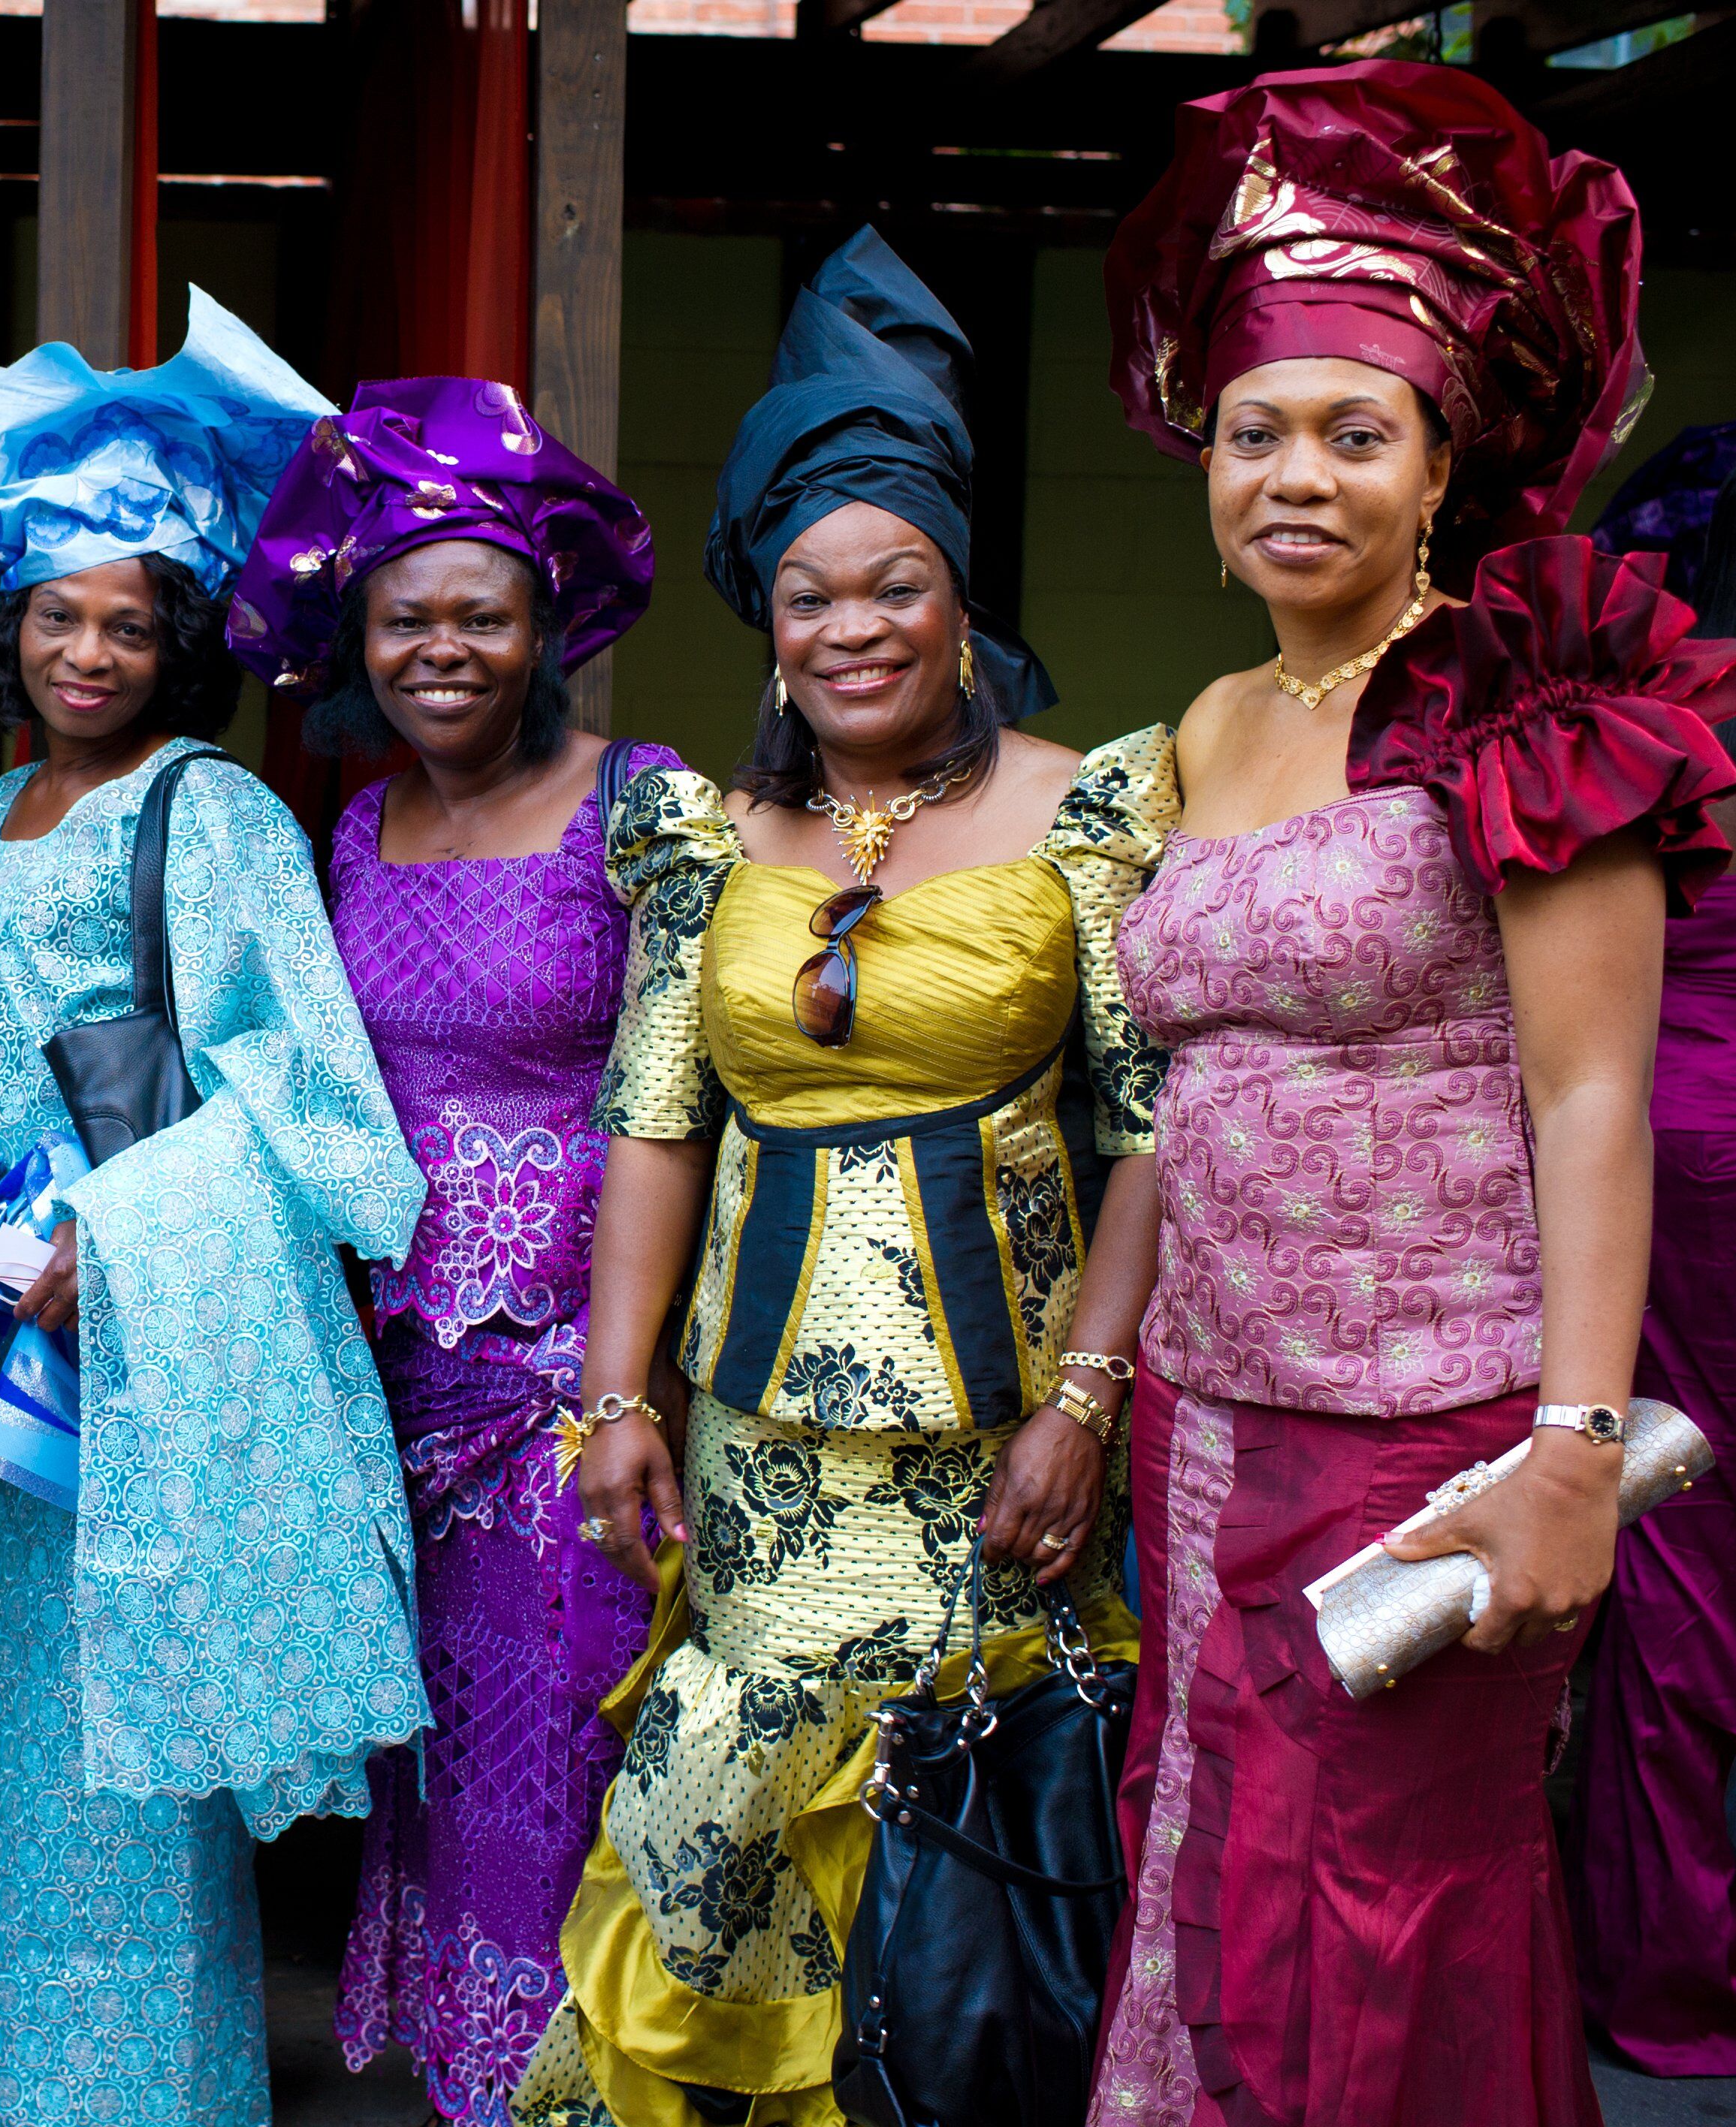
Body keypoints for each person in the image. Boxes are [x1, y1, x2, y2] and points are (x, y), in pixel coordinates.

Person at [1087, 61, 1736, 2126]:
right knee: (1207, 1884)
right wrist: (1104, 1379)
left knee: (1380, 1918)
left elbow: (1590, 1099)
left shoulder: (1531, 687)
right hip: (1207, 1420)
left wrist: (1572, 1445)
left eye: (1353, 433)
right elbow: (1176, 1084)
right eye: (1253, 431)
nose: (1295, 473)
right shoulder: (1213, 717)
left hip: (1433, 1443)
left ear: (1445, 454)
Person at [492, 229, 1176, 2127]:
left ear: (959, 600)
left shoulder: (1087, 814)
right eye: (811, 595)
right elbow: (653, 1122)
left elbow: (1147, 1135)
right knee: (724, 1793)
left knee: (955, 1805)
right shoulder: (702, 837)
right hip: (754, 1429)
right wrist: (615, 1397)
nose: (854, 624)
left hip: (999, 1430)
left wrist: (1088, 1408)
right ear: (764, 619)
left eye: (898, 584)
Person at [0, 291, 430, 2127]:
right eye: (58, 616)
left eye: (130, 621)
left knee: (137, 1764)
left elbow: (307, 1092)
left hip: (137, 1343)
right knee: (26, 1766)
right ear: (6, 626)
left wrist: (106, 1240)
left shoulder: (210, 816)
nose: (91, 652)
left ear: (179, 639)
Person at [244, 372, 670, 2126]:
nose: (439, 649)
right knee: (426, 1750)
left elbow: (682, 1099)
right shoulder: (358, 825)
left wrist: (631, 1380)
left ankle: (571, 2083)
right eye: (404, 617)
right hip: (391, 1368)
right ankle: (467, 2075)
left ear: (541, 623)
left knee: (562, 1737)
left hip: (572, 1372)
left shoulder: (640, 802)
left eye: (478, 615)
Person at [1568, 443, 1736, 2072]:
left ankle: (1677, 1972)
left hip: (1683, 1110)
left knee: (1681, 1564)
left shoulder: (1638, 729)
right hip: (1698, 1086)